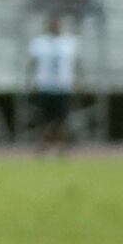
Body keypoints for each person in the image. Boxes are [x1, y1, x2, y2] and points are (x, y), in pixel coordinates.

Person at [25, 12, 83, 151]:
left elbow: (76, 64)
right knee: (46, 118)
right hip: (45, 86)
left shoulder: (69, 42)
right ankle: (50, 144)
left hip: (63, 86)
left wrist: (78, 80)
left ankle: (53, 144)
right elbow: (32, 64)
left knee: (62, 118)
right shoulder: (39, 42)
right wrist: (29, 81)